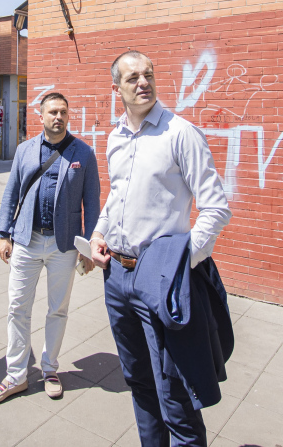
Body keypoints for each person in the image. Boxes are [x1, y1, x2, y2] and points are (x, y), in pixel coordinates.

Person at [89, 51, 233, 447]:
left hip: (161, 281)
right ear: (115, 87)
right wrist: (100, 234)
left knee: (175, 394)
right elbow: (117, 197)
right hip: (116, 278)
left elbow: (216, 207)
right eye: (132, 77)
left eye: (149, 74)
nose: (143, 82)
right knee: (139, 382)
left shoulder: (179, 133)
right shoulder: (115, 137)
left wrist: (181, 263)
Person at [0, 92, 100, 405]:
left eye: (63, 111)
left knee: (57, 309)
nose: (58, 117)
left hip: (64, 246)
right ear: (41, 115)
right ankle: (16, 375)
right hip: (26, 240)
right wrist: (3, 234)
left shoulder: (83, 153)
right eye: (52, 112)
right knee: (18, 308)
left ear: (68, 115)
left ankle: (50, 369)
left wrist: (87, 249)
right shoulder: (24, 150)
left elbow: (91, 202)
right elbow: (11, 195)